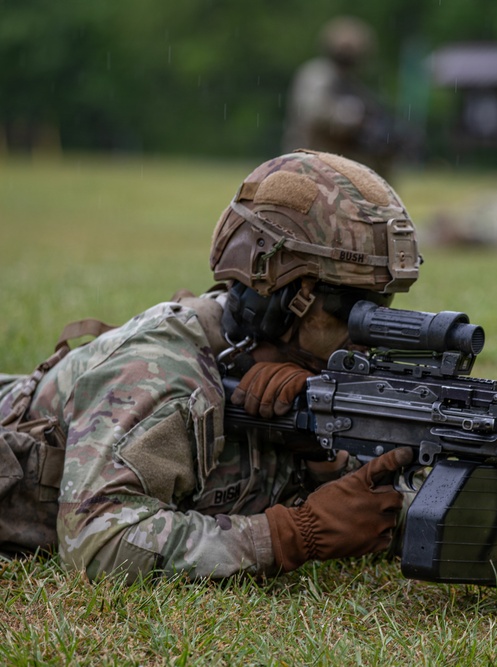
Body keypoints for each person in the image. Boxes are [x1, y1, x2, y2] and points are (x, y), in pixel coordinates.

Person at [0, 150, 421, 581]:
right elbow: (98, 544)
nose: (368, 332)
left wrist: (323, 460)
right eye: (352, 307)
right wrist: (293, 535)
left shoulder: (303, 371)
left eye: (382, 305)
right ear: (281, 297)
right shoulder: (159, 368)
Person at [283, 17, 399, 179]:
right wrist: (349, 119)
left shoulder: (353, 84)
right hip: (311, 157)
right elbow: (313, 112)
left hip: (340, 159)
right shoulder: (318, 74)